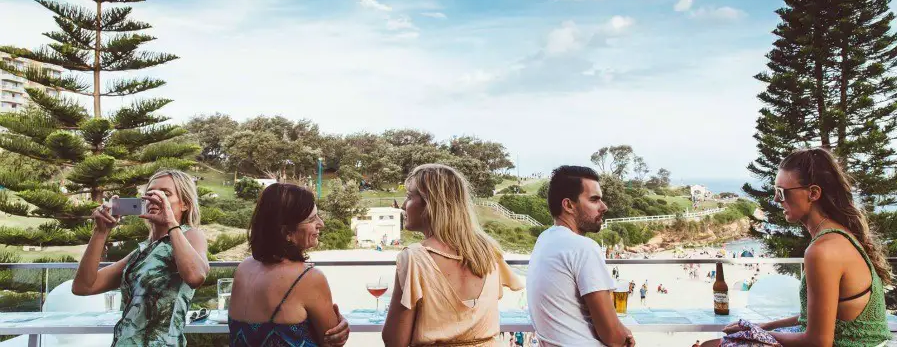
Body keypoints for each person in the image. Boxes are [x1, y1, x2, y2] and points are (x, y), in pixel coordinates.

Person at [703, 148, 892, 347]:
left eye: (781, 192)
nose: (776, 199)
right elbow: (814, 317)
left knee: (712, 345)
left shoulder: (823, 250)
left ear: (813, 193)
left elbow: (818, 342)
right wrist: (763, 326)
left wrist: (754, 333)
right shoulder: (841, 236)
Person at [382, 164, 523, 346]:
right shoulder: (489, 252)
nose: (402, 205)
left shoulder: (414, 258)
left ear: (430, 203)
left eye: (409, 197)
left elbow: (394, 341)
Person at [72, 170, 210, 346]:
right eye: (150, 193)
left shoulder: (191, 235)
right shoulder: (142, 251)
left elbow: (196, 276)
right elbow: (83, 286)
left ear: (185, 204)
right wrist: (100, 232)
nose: (154, 198)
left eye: (165, 194)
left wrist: (171, 223)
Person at [228, 183, 350, 347]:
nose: (321, 224)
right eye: (312, 219)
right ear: (287, 233)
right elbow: (332, 342)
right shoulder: (308, 278)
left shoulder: (243, 268)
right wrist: (342, 327)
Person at [526, 166, 634, 346]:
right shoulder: (583, 248)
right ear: (568, 205)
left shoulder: (545, 240)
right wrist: (624, 334)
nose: (604, 207)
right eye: (594, 200)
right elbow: (614, 337)